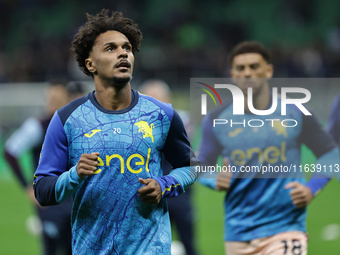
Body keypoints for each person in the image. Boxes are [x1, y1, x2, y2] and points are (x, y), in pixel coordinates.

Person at [33, 9, 198, 254]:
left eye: (127, 48)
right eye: (110, 48)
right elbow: (43, 190)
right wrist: (74, 174)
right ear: (90, 64)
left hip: (150, 248)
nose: (123, 53)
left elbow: (190, 166)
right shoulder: (66, 119)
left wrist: (165, 184)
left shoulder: (162, 114)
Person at [197, 41, 339, 255]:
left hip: (286, 228)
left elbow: (330, 154)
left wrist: (312, 188)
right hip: (238, 233)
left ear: (269, 71)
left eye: (254, 67)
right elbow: (200, 164)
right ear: (232, 74)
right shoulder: (216, 120)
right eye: (241, 68)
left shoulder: (296, 113)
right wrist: (213, 179)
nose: (247, 73)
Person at [4, 80, 85, 255]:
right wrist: (27, 188)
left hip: (73, 199)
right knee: (51, 248)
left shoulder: (77, 125)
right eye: (50, 99)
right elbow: (10, 152)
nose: (52, 103)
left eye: (57, 99)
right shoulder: (38, 126)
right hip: (50, 198)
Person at [139, 79, 197, 255]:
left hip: (179, 191)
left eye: (158, 98)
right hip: (147, 191)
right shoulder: (137, 126)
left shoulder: (179, 120)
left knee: (188, 241)